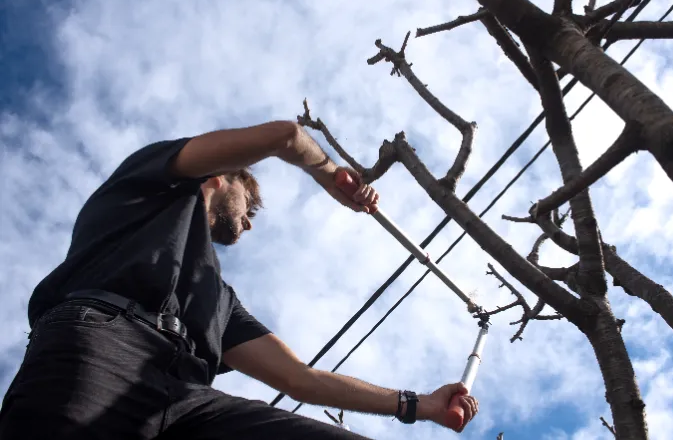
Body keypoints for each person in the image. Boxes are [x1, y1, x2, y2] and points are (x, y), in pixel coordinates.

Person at [0, 120, 479, 439]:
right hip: (100, 348)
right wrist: (333, 175)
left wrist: (420, 405)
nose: (249, 223)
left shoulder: (218, 302)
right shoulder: (149, 185)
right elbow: (287, 137)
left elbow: (300, 380)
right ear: (223, 178)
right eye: (249, 207)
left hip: (189, 396)